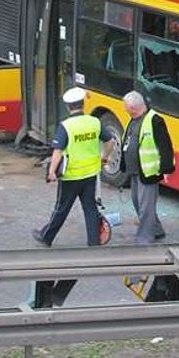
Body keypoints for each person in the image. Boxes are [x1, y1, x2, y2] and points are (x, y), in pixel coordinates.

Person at [32, 86, 116, 247]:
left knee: (61, 209)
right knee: (90, 209)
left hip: (71, 176)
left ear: (68, 107)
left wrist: (51, 172)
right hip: (90, 174)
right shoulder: (95, 122)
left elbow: (58, 151)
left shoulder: (66, 126)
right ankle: (94, 242)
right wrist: (104, 157)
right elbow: (110, 141)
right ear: (83, 104)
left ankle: (46, 237)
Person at [119, 90, 175, 244]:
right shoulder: (134, 119)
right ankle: (156, 230)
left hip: (148, 172)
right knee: (137, 201)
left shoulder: (155, 120)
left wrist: (166, 169)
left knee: (145, 207)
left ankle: (144, 237)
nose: (125, 110)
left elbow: (165, 146)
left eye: (126, 108)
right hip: (135, 171)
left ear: (133, 108)